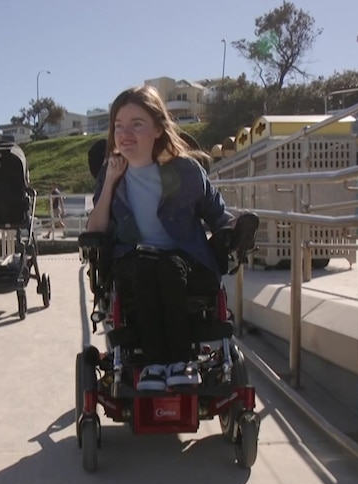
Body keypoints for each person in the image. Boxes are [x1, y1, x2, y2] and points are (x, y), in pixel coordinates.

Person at [85, 85, 243, 391]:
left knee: (168, 267)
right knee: (146, 267)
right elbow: (96, 230)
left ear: (158, 129)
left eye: (136, 124)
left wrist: (237, 231)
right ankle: (155, 366)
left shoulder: (185, 171)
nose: (125, 134)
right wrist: (110, 184)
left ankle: (180, 363)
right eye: (118, 126)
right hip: (132, 258)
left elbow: (218, 215)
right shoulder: (111, 171)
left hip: (181, 257)